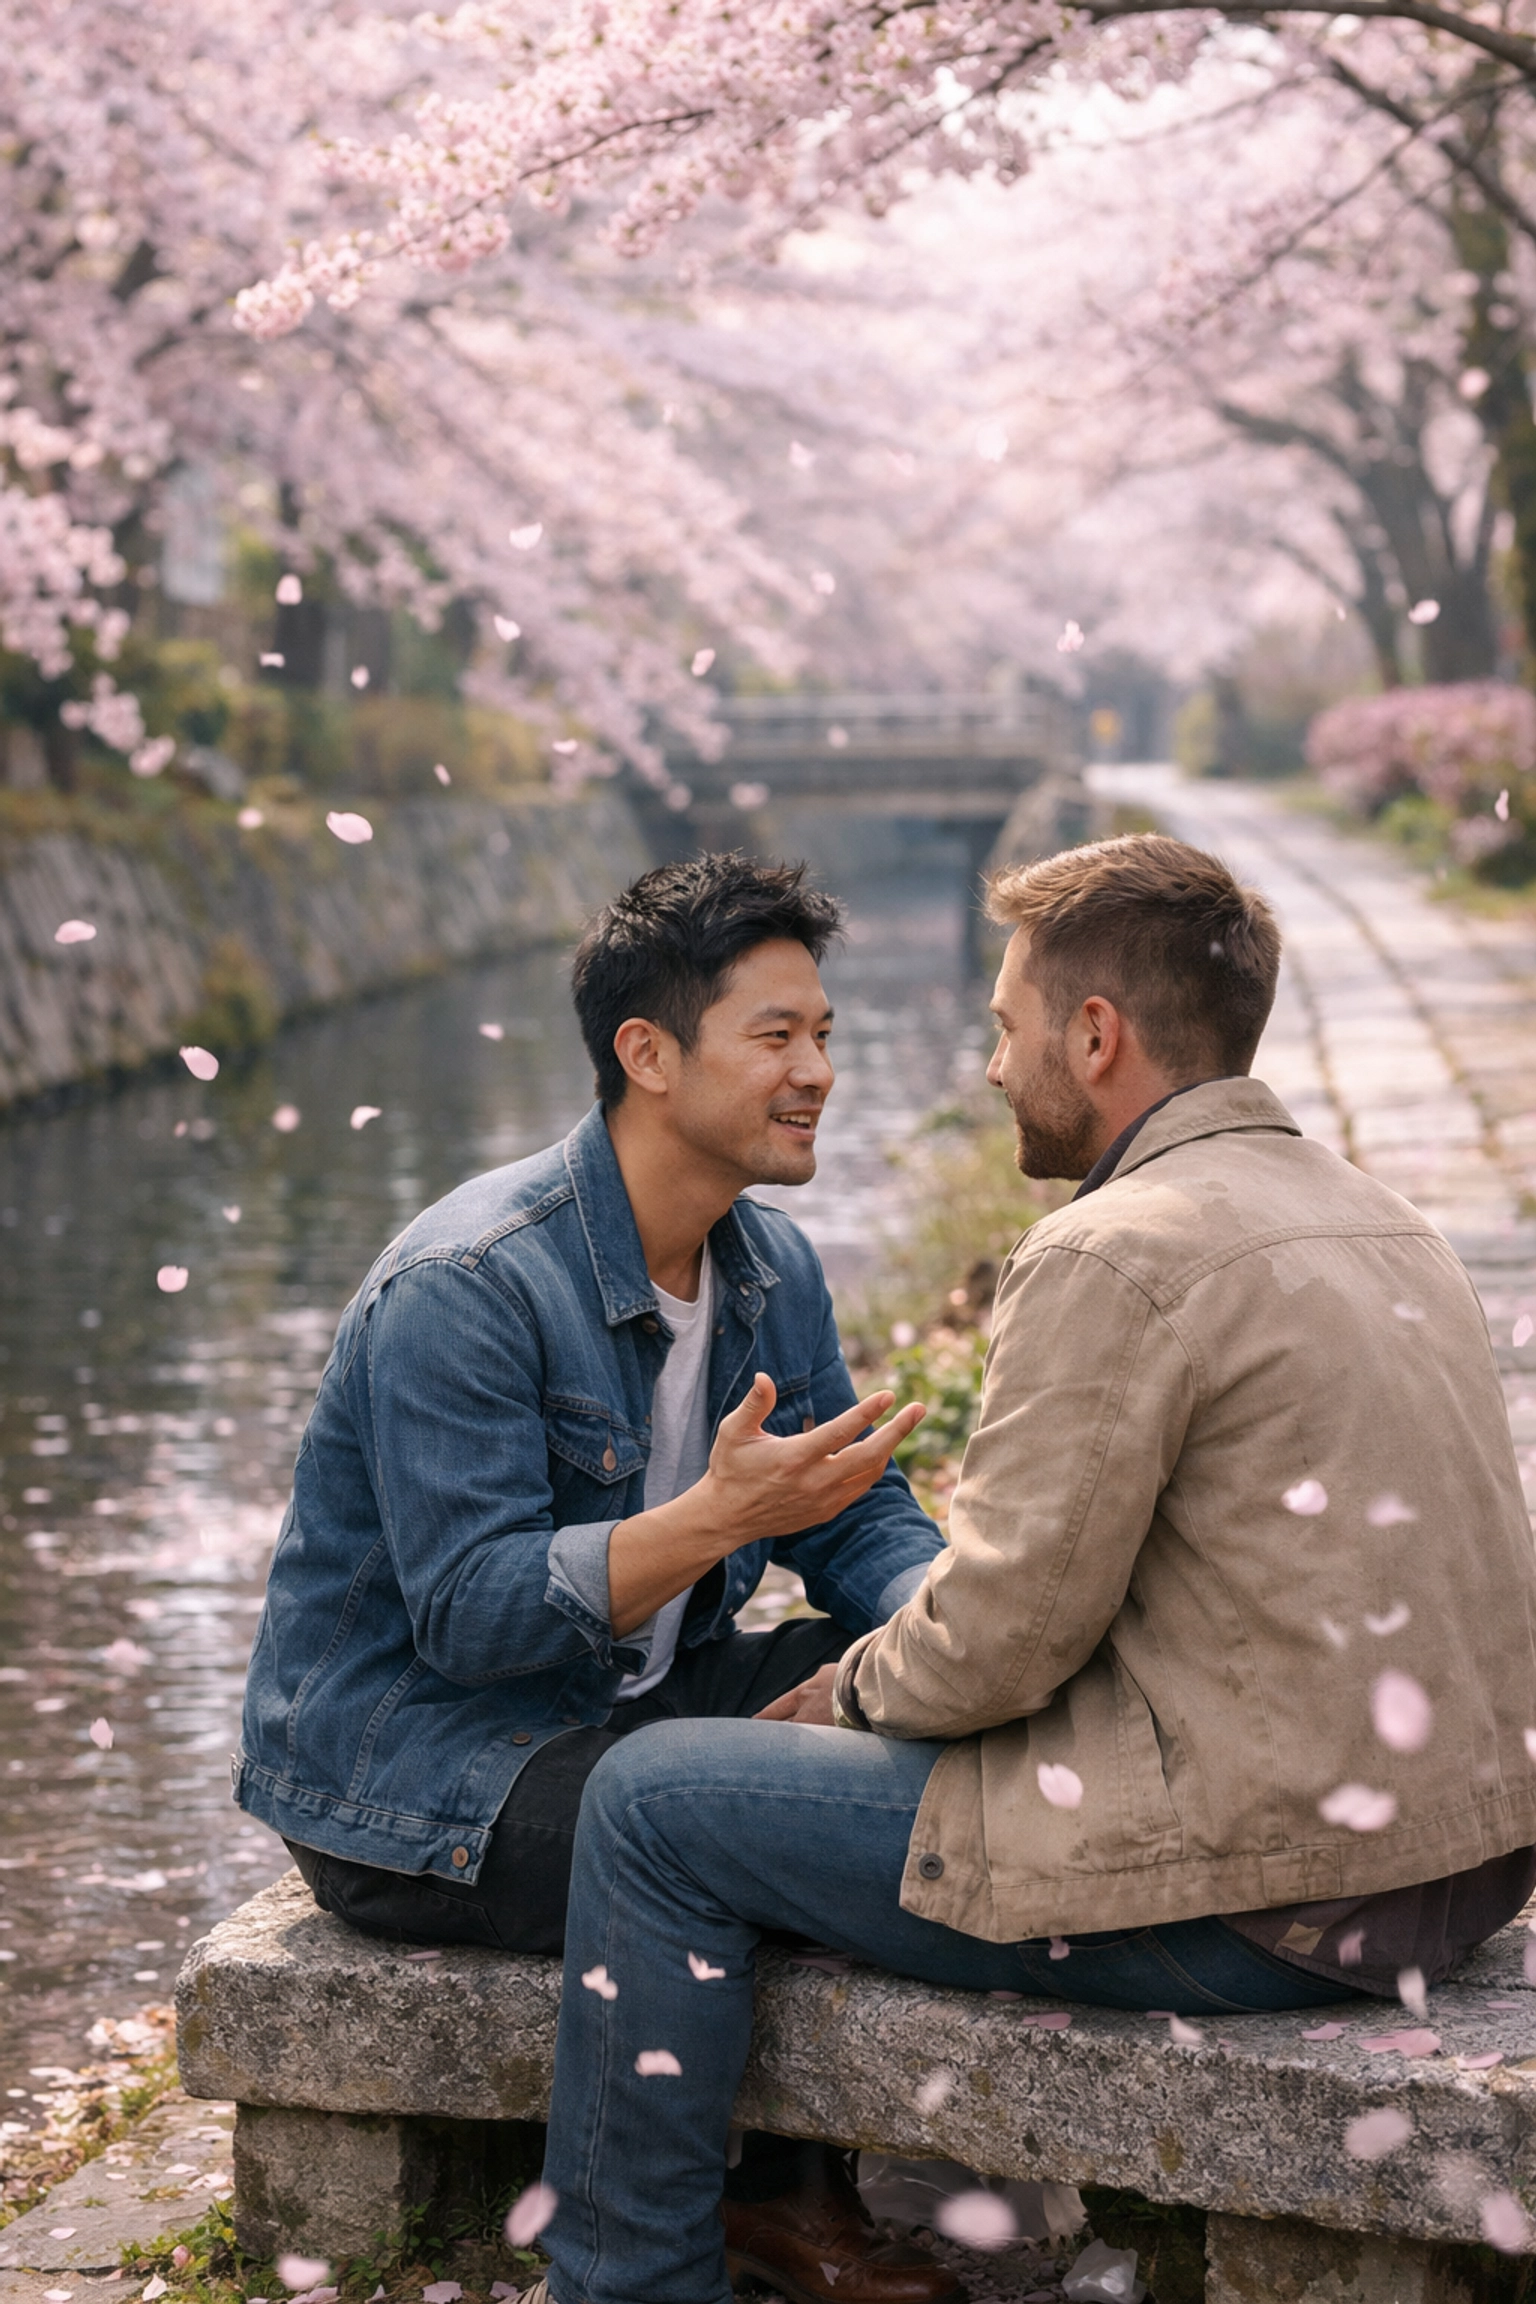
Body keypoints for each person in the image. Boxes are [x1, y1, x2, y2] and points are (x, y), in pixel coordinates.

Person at [524, 832, 1536, 2304]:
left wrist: (840, 1696)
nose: (993, 1067)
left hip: (1277, 1901)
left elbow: (998, 1641)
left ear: (1096, 1036)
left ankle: (626, 2283)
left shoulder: (1110, 1251)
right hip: (1457, 1870)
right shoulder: (1390, 1223)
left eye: (1007, 1028)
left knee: (651, 1800)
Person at [235, 853, 963, 2304]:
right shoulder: (471, 1285)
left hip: (628, 1713)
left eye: (825, 1034)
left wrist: (962, 1633)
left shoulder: (770, 1266)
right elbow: (472, 1614)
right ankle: (682, 2238)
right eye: (776, 1036)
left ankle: (773, 2197)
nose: (818, 1072)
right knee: (740, 1831)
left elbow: (855, 1521)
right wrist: (709, 1520)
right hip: (426, 1774)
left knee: (925, 1720)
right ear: (648, 1053)